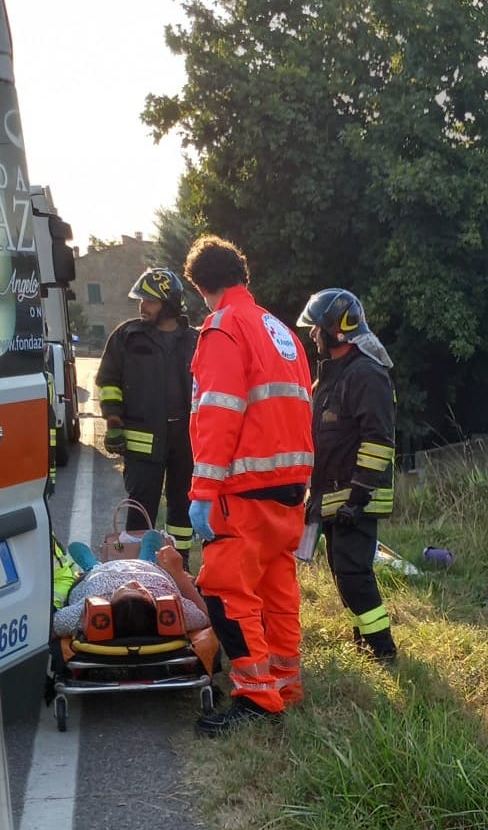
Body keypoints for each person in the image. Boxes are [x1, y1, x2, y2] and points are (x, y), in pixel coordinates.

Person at [184, 235, 314, 736]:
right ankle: (284, 683)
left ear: (201, 288)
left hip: (242, 490)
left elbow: (218, 413)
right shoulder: (281, 331)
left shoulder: (223, 327)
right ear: (243, 276)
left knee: (224, 590)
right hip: (289, 490)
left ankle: (257, 698)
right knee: (277, 588)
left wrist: (202, 491)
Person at [297, 288, 399, 664]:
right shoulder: (333, 376)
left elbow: (378, 441)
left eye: (316, 328)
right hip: (333, 495)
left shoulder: (367, 375)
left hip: (356, 496)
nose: (312, 335)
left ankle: (383, 651)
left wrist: (358, 497)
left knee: (354, 575)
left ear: (336, 331)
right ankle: (364, 640)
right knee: (343, 573)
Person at [96, 268, 199, 563]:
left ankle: (178, 566)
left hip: (186, 444)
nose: (142, 306)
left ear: (169, 304)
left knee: (182, 511)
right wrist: (113, 422)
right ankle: (137, 568)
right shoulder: (127, 336)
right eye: (141, 300)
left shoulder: (196, 340)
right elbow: (108, 381)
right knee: (140, 510)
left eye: (150, 301)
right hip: (141, 446)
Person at [52, 533, 210, 638]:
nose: (133, 583)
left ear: (109, 601)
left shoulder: (88, 609)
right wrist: (178, 574)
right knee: (151, 542)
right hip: (148, 569)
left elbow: (54, 625)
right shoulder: (170, 608)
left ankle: (91, 564)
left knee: (78, 550)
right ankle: (147, 556)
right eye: (142, 591)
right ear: (153, 602)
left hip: (101, 572)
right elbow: (205, 616)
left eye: (125, 589)